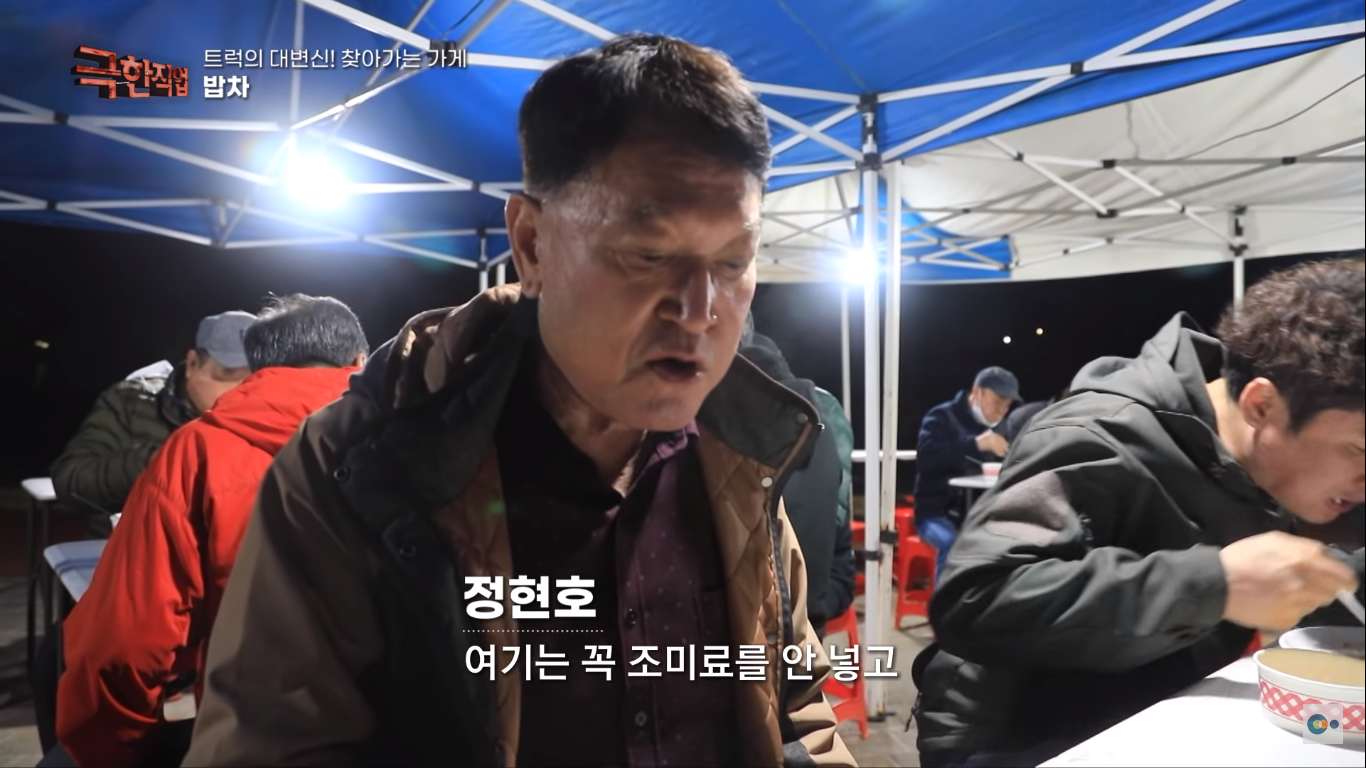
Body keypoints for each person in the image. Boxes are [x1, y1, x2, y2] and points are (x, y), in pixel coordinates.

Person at [184, 35, 852, 768]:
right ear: (531, 244)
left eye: (732, 261)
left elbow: (797, 713)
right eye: (649, 254)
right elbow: (268, 746)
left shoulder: (742, 457)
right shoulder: (359, 467)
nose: (700, 310)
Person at [912, 259, 1365, 768]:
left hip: (1157, 716)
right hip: (1015, 736)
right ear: (1262, 406)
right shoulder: (1098, 435)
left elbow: (1311, 571)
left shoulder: (1275, 458)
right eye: (1358, 449)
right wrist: (1215, 585)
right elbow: (975, 598)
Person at [52, 295, 368, 768]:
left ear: (258, 367)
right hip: (415, 733)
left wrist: (116, 751)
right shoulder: (429, 441)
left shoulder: (196, 452)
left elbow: (122, 644)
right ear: (359, 361)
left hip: (258, 738)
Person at [50, 311, 254, 538]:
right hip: (129, 545)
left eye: (255, 378)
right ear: (192, 363)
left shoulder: (268, 414)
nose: (243, 391)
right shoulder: (129, 401)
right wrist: (154, 460)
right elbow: (68, 482)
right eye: (228, 374)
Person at [739, 314, 856, 637]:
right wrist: (812, 609)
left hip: (750, 640)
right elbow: (841, 554)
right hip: (807, 630)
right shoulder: (824, 419)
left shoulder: (714, 434)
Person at [913, 367, 1021, 573]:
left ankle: (987, 594)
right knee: (953, 543)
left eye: (1007, 405)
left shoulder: (999, 428)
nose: (1002, 411)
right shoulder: (942, 417)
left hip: (977, 513)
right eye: (997, 402)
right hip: (936, 513)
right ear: (977, 392)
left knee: (1012, 541)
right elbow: (926, 457)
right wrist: (977, 444)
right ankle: (947, 595)